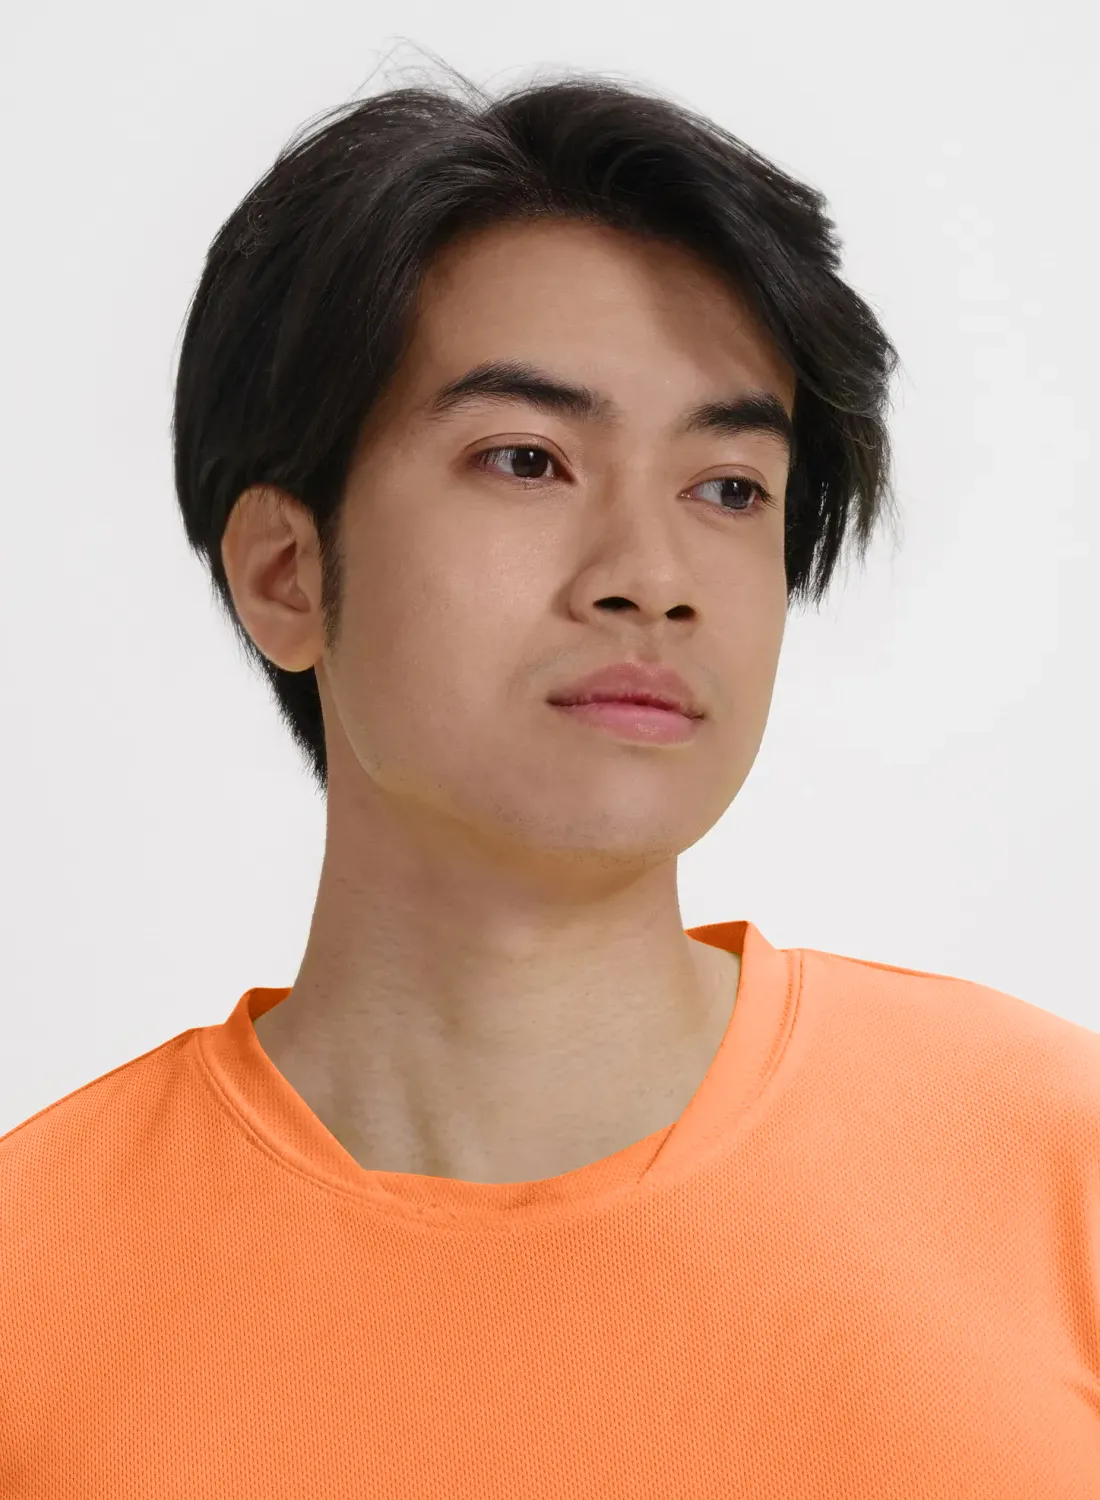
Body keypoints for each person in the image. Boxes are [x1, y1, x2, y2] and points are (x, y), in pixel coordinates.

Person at [3, 62, 1097, 1499]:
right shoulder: (35, 1289)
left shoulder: (1051, 1165)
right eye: (527, 459)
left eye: (729, 488)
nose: (652, 577)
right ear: (286, 572)